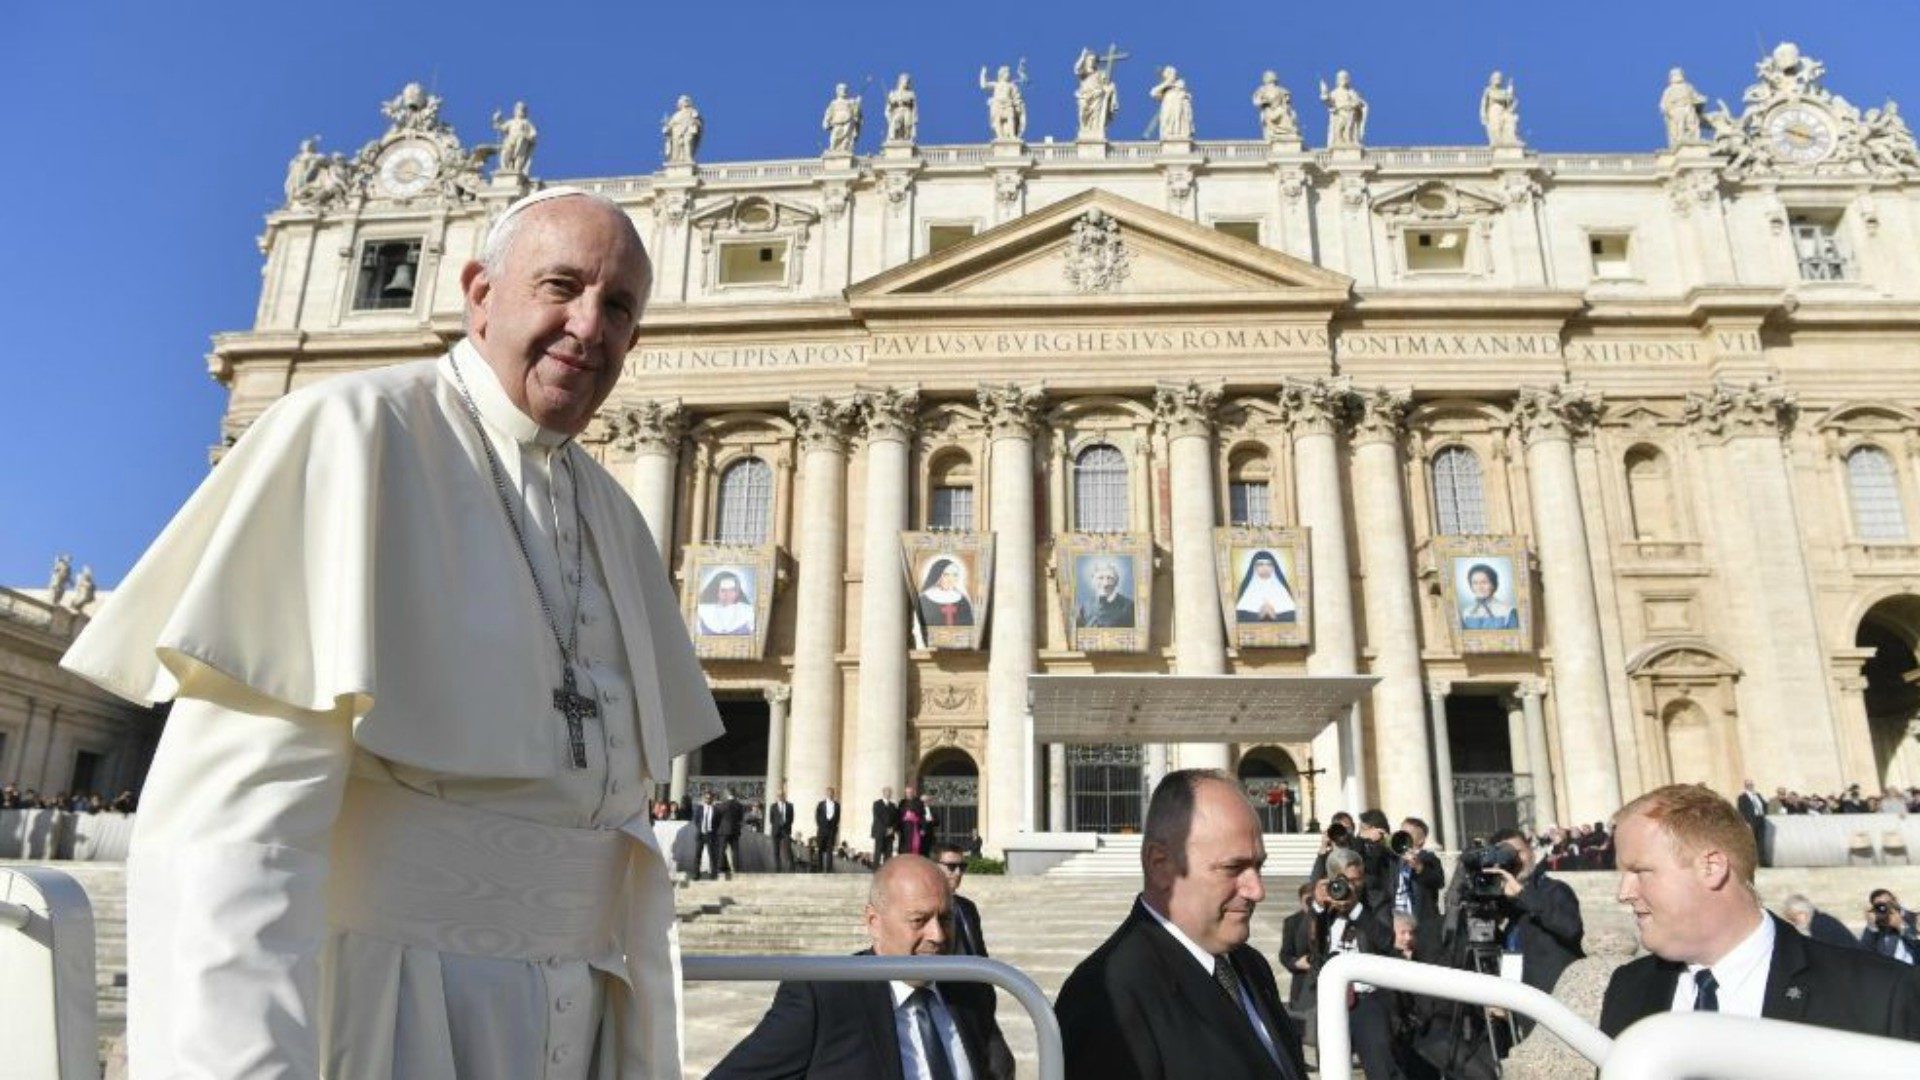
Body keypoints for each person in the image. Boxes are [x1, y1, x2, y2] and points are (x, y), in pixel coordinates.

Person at [59, 188, 722, 1077]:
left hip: (585, 1015)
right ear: (480, 293)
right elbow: (233, 839)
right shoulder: (350, 434)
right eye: (560, 286)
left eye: (618, 308)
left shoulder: (612, 512)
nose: (587, 326)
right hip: (392, 1010)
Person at [1601, 783, 1920, 1039]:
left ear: (1711, 867)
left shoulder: (1880, 992)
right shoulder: (1629, 988)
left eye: (1640, 871)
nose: (1623, 893)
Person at [1056, 769, 1307, 1079]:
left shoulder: (1250, 965)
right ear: (1161, 866)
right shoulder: (1105, 994)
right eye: (1233, 868)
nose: (1257, 890)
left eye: (1258, 866)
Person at [709, 854, 1014, 1079]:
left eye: (945, 918)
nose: (938, 936)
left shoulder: (970, 991)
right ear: (874, 922)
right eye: (919, 921)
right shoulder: (823, 996)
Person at [1311, 845, 1398, 1079]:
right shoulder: (1325, 904)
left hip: (1368, 999)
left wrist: (1355, 909)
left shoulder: (1376, 899)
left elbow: (1385, 940)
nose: (1353, 886)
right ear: (1332, 879)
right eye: (1346, 880)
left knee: (1381, 1068)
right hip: (1332, 998)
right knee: (1331, 1068)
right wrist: (1318, 908)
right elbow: (1312, 946)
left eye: (1358, 880)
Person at [1480, 826, 1584, 997]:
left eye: (1518, 852)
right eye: (1506, 855)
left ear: (1532, 852)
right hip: (1517, 994)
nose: (1516, 860)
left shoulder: (1555, 890)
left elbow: (1571, 930)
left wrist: (1522, 894)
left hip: (1553, 994)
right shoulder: (1502, 898)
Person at [1393, 817, 1446, 959]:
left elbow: (1438, 881)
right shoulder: (1393, 860)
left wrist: (1419, 868)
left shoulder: (1429, 859)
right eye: (1401, 832)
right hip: (1396, 923)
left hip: (1420, 923)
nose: (1402, 836)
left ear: (1421, 840)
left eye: (1408, 834)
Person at [1277, 882, 1317, 1014]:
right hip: (1302, 984)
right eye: (1308, 900)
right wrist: (1297, 963)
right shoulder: (1292, 922)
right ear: (1301, 901)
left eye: (1314, 899)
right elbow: (1285, 955)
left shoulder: (1331, 918)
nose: (1311, 904)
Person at [1234, 550, 1298, 624]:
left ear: (1274, 567)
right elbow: (1238, 619)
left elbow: (1293, 618)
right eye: (1260, 564)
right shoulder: (1247, 589)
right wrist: (1259, 616)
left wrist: (1275, 616)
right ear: (1254, 567)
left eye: (1269, 564)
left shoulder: (1281, 589)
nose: (1265, 568)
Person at [1780, 893, 1862, 950]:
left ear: (1802, 914)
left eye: (1792, 919)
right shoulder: (1820, 921)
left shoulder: (1819, 926)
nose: (1793, 923)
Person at [1861, 889, 1920, 964]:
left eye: (1889, 903)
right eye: (1881, 906)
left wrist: (1901, 926)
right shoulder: (1877, 925)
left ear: (1895, 900)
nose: (1887, 908)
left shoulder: (1914, 918)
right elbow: (1864, 953)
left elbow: (1917, 947)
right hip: (1886, 971)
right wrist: (1872, 927)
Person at [1076, 559, 1136, 629]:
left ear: (1116, 582)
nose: (1105, 583)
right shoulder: (1086, 607)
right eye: (1100, 578)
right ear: (1093, 581)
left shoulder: (1129, 606)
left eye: (1110, 578)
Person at [1458, 563, 1519, 630]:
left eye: (1484, 582)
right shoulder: (1466, 613)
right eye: (1475, 583)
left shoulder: (1508, 611)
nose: (1479, 587)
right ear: (1471, 586)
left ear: (1493, 585)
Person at [918, 557, 974, 629]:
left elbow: (969, 626)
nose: (951, 579)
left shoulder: (963, 600)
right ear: (936, 576)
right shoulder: (924, 599)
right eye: (946, 575)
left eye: (955, 575)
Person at [696, 570, 755, 636]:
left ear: (737, 592)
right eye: (723, 591)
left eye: (732, 590)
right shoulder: (702, 611)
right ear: (716, 591)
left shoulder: (747, 610)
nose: (728, 594)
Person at [697, 788, 728, 881]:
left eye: (709, 798)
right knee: (698, 855)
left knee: (712, 855)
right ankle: (696, 874)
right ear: (703, 799)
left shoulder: (716, 809)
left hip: (711, 834)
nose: (708, 800)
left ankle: (713, 874)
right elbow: (696, 820)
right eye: (706, 798)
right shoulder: (699, 808)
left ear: (712, 799)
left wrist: (714, 831)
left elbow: (718, 821)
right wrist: (700, 828)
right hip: (701, 834)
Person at [899, 783, 936, 856]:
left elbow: (923, 817)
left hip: (915, 828)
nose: (908, 794)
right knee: (905, 848)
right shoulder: (902, 802)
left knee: (916, 848)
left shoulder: (919, 802)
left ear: (913, 793)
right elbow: (898, 815)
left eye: (910, 792)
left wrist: (923, 828)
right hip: (904, 829)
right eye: (907, 793)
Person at [768, 786, 795, 872]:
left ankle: (791, 869)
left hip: (786, 830)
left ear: (784, 796)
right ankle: (777, 870)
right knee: (776, 851)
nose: (780, 796)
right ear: (777, 796)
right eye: (779, 795)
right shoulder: (773, 806)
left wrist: (786, 825)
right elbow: (771, 819)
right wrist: (777, 825)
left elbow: (791, 818)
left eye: (782, 795)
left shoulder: (790, 806)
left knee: (788, 849)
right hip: (776, 831)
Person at [815, 786, 841, 872]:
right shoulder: (821, 804)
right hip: (822, 830)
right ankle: (819, 869)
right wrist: (821, 826)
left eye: (831, 793)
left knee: (830, 850)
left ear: (833, 794)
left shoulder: (837, 805)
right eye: (828, 792)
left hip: (831, 831)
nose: (830, 794)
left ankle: (829, 870)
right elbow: (817, 817)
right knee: (820, 850)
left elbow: (837, 818)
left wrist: (834, 828)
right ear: (826, 793)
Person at [872, 785, 899, 865]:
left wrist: (892, 829)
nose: (888, 794)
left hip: (890, 833)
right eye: (887, 792)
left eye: (890, 792)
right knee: (878, 851)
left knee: (888, 852)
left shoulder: (893, 806)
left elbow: (896, 819)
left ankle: (886, 871)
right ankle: (876, 870)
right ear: (883, 793)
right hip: (880, 831)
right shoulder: (877, 804)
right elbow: (877, 818)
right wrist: (885, 829)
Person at [721, 787, 744, 879]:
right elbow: (740, 818)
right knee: (735, 851)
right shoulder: (739, 805)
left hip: (724, 830)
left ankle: (723, 867)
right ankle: (736, 869)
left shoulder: (723, 805)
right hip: (735, 830)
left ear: (727, 794)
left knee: (722, 849)